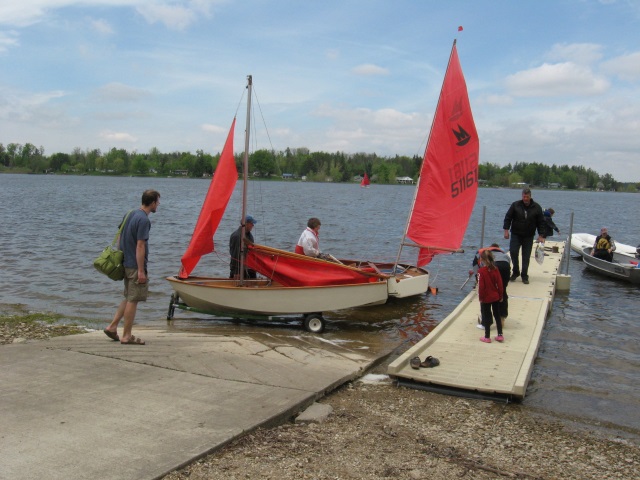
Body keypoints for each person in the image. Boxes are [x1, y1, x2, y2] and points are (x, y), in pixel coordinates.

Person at [103, 189, 160, 345]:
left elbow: (120, 236)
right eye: (158, 202)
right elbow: (140, 246)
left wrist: (123, 255)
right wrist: (141, 271)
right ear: (153, 202)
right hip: (135, 266)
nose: (158, 205)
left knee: (128, 297)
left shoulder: (130, 214)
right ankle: (127, 335)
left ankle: (113, 327)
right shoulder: (144, 220)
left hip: (126, 262)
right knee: (133, 300)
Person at [503, 187, 546, 284]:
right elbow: (508, 217)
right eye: (524, 197)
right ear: (522, 196)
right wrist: (506, 230)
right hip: (516, 234)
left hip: (528, 235)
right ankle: (516, 271)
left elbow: (541, 222)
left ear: (530, 196)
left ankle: (524, 275)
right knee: (513, 252)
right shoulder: (515, 205)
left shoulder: (537, 207)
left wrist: (541, 235)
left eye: (527, 197)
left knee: (526, 256)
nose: (525, 199)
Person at [470, 243, 511, 326]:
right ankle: (502, 317)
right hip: (505, 266)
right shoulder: (503, 253)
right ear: (497, 248)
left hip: (494, 265)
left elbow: (475, 268)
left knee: (486, 293)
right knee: (502, 291)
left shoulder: (481, 252)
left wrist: (477, 280)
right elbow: (508, 263)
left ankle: (486, 320)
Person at [477, 250, 504, 344]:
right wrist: (501, 295)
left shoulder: (481, 271)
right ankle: (500, 335)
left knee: (487, 316)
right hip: (495, 296)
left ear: (482, 259)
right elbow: (500, 284)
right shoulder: (495, 269)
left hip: (486, 297)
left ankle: (487, 336)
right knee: (497, 315)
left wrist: (481, 298)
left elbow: (481, 286)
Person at [229, 215, 257, 279]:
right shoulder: (236, 236)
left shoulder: (250, 236)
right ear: (246, 224)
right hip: (239, 269)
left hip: (249, 268)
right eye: (251, 223)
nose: (253, 225)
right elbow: (235, 254)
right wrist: (236, 272)